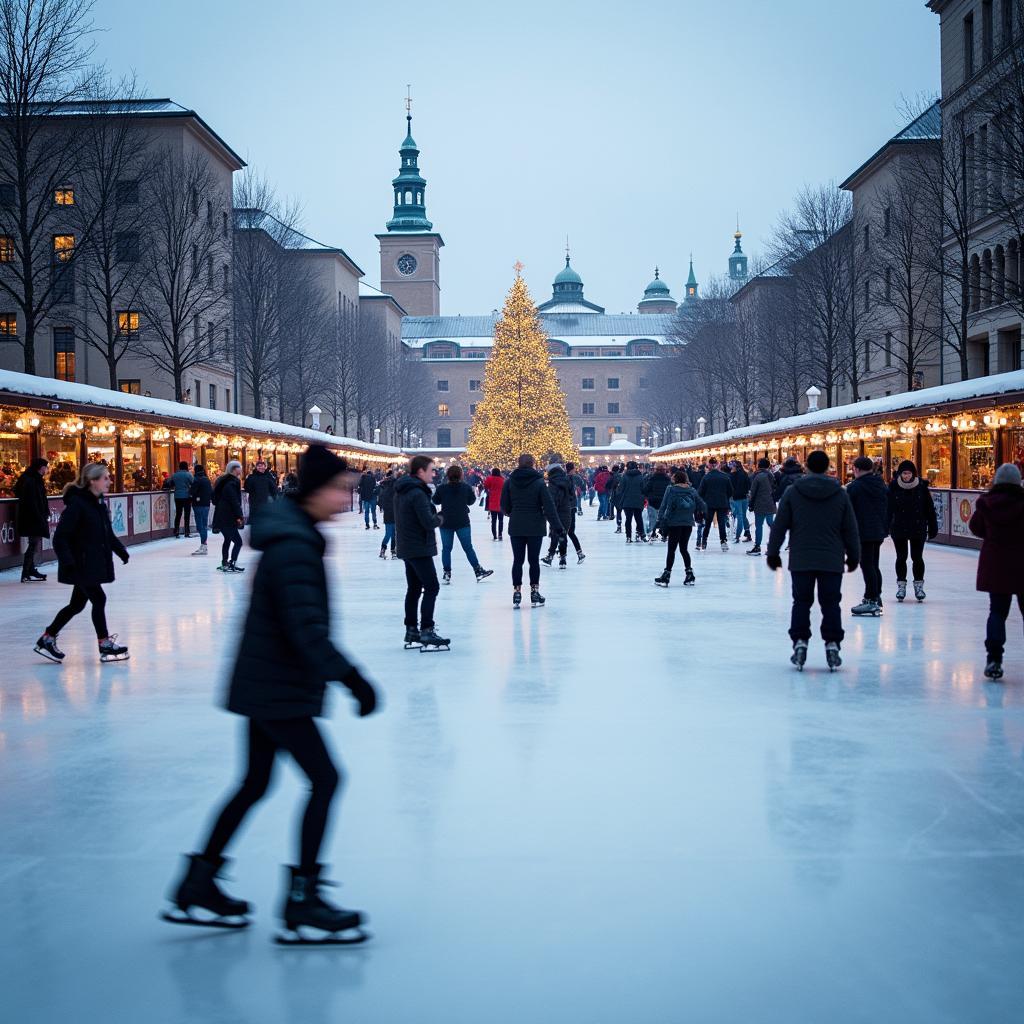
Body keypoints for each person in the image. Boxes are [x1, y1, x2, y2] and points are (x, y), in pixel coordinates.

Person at [165, 445, 378, 942]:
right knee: (323, 780)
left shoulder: (293, 535)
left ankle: (199, 881)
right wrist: (353, 679)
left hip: (265, 681)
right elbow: (305, 628)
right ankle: (302, 900)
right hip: (277, 685)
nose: (348, 502)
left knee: (254, 783)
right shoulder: (293, 545)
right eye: (341, 491)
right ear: (317, 492)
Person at [765, 449, 860, 671]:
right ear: (828, 467)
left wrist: (773, 552)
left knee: (801, 602)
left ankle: (800, 641)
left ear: (806, 467)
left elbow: (780, 525)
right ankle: (833, 643)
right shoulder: (839, 493)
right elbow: (850, 528)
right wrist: (854, 555)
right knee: (831, 603)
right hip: (831, 558)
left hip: (802, 558)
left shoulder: (793, 492)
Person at [33, 463, 130, 664]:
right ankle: (104, 643)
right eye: (106, 478)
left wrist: (120, 550)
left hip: (89, 563)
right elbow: (60, 538)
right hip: (80, 565)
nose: (110, 481)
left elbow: (106, 533)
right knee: (99, 598)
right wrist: (68, 562)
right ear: (92, 481)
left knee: (76, 605)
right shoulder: (78, 505)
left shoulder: (97, 504)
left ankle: (47, 638)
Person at [969, 463, 1024, 680]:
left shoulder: (987, 503)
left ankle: (994, 659)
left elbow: (975, 527)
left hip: (997, 564)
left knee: (997, 612)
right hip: (1022, 564)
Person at [395, 455, 448, 649]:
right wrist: (440, 516)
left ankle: (411, 629)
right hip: (418, 547)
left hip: (408, 546)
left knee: (414, 589)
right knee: (432, 587)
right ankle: (426, 629)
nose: (434, 474)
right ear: (420, 472)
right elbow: (428, 522)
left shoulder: (403, 491)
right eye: (431, 470)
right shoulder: (417, 493)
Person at [500, 453, 563, 608]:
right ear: (533, 464)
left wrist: (512, 512)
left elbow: (504, 505)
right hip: (535, 525)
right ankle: (534, 592)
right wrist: (558, 527)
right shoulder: (539, 482)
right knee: (533, 561)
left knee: (518, 560)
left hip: (516, 525)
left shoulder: (509, 482)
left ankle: (517, 592)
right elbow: (549, 506)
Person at [431, 464, 492, 583]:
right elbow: (471, 501)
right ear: (461, 475)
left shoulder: (442, 488)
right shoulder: (465, 487)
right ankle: (478, 570)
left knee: (446, 549)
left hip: (446, 521)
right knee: (468, 548)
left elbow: (435, 500)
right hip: (462, 520)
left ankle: (447, 572)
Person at [887, 460, 938, 602]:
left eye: (909, 473)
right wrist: (885, 526)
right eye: (904, 473)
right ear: (900, 474)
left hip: (918, 527)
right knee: (901, 557)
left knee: (917, 557)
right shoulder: (893, 487)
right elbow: (888, 509)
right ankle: (901, 586)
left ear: (913, 474)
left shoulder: (922, 487)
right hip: (899, 528)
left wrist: (933, 527)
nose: (906, 476)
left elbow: (929, 509)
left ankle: (919, 586)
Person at [846, 455, 889, 615]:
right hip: (878, 531)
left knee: (867, 565)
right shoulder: (880, 484)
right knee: (873, 564)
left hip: (863, 531)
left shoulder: (855, 487)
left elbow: (847, 511)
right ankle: (875, 595)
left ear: (856, 469)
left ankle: (871, 599)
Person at [654, 471, 706, 588]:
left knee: (671, 550)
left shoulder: (671, 489)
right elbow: (702, 505)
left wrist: (660, 520)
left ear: (675, 479)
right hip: (688, 523)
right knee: (684, 549)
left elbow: (664, 505)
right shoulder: (691, 490)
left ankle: (666, 576)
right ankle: (689, 574)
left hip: (674, 523)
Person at [542, 455, 584, 567]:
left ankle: (551, 556)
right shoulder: (567, 480)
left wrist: (547, 512)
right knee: (562, 534)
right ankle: (562, 559)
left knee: (556, 534)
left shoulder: (552, 484)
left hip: (556, 512)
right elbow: (571, 496)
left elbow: (552, 499)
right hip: (567, 511)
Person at [14, 456, 49, 582]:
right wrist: (40, 515)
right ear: (41, 468)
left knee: (33, 543)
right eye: (45, 467)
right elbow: (32, 500)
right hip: (33, 517)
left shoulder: (31, 478)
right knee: (33, 543)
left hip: (32, 516)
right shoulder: (32, 480)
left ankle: (30, 569)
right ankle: (26, 571)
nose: (47, 470)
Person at [213, 461, 246, 572]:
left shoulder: (223, 481)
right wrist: (239, 515)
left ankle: (225, 563)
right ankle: (232, 563)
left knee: (227, 539)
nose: (241, 470)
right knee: (238, 542)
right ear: (234, 469)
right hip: (227, 517)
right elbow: (234, 501)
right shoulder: (231, 483)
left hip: (222, 516)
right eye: (240, 468)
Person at [697, 458, 732, 550]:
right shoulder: (725, 477)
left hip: (709, 503)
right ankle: (723, 541)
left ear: (709, 466)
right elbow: (730, 491)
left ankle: (704, 541)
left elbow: (700, 492)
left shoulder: (706, 477)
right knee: (722, 523)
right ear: (717, 465)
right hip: (722, 503)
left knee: (707, 523)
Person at [746, 457, 777, 555]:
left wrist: (750, 504)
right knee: (770, 523)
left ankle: (757, 546)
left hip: (759, 504)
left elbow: (753, 492)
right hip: (770, 503)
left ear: (759, 466)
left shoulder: (758, 476)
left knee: (759, 525)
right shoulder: (772, 475)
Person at [615, 460, 647, 542]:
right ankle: (641, 534)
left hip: (627, 500)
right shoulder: (640, 476)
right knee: (638, 518)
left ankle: (628, 537)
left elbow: (620, 490)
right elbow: (643, 489)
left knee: (628, 519)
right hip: (638, 500)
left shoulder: (624, 476)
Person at [190, 463, 213, 556]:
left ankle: (203, 545)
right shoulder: (207, 479)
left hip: (198, 504)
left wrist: (191, 494)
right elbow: (211, 491)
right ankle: (204, 545)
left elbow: (192, 492)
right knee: (203, 525)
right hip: (206, 504)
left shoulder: (197, 480)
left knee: (200, 526)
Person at [642, 464, 670, 540]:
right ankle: (664, 534)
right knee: (664, 518)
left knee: (652, 518)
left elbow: (645, 489)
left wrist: (648, 496)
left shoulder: (652, 479)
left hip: (653, 501)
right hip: (664, 502)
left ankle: (653, 533)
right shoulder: (668, 479)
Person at [376, 470, 398, 558]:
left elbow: (380, 501)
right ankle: (393, 551)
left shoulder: (384, 490)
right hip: (395, 514)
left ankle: (383, 549)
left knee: (388, 534)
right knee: (393, 534)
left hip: (388, 515)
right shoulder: (396, 491)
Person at [729, 461, 752, 544]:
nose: (731, 468)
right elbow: (749, 485)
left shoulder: (733, 475)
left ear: (736, 467)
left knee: (740, 516)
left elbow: (731, 487)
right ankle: (748, 533)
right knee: (743, 516)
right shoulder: (745, 474)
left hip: (737, 498)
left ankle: (737, 536)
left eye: (732, 466)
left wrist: (732, 495)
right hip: (745, 498)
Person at [482, 467, 505, 540]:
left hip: (492, 501)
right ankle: (500, 534)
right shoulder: (502, 480)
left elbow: (485, 486)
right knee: (501, 520)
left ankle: (494, 535)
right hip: (501, 503)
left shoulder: (489, 478)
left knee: (494, 520)